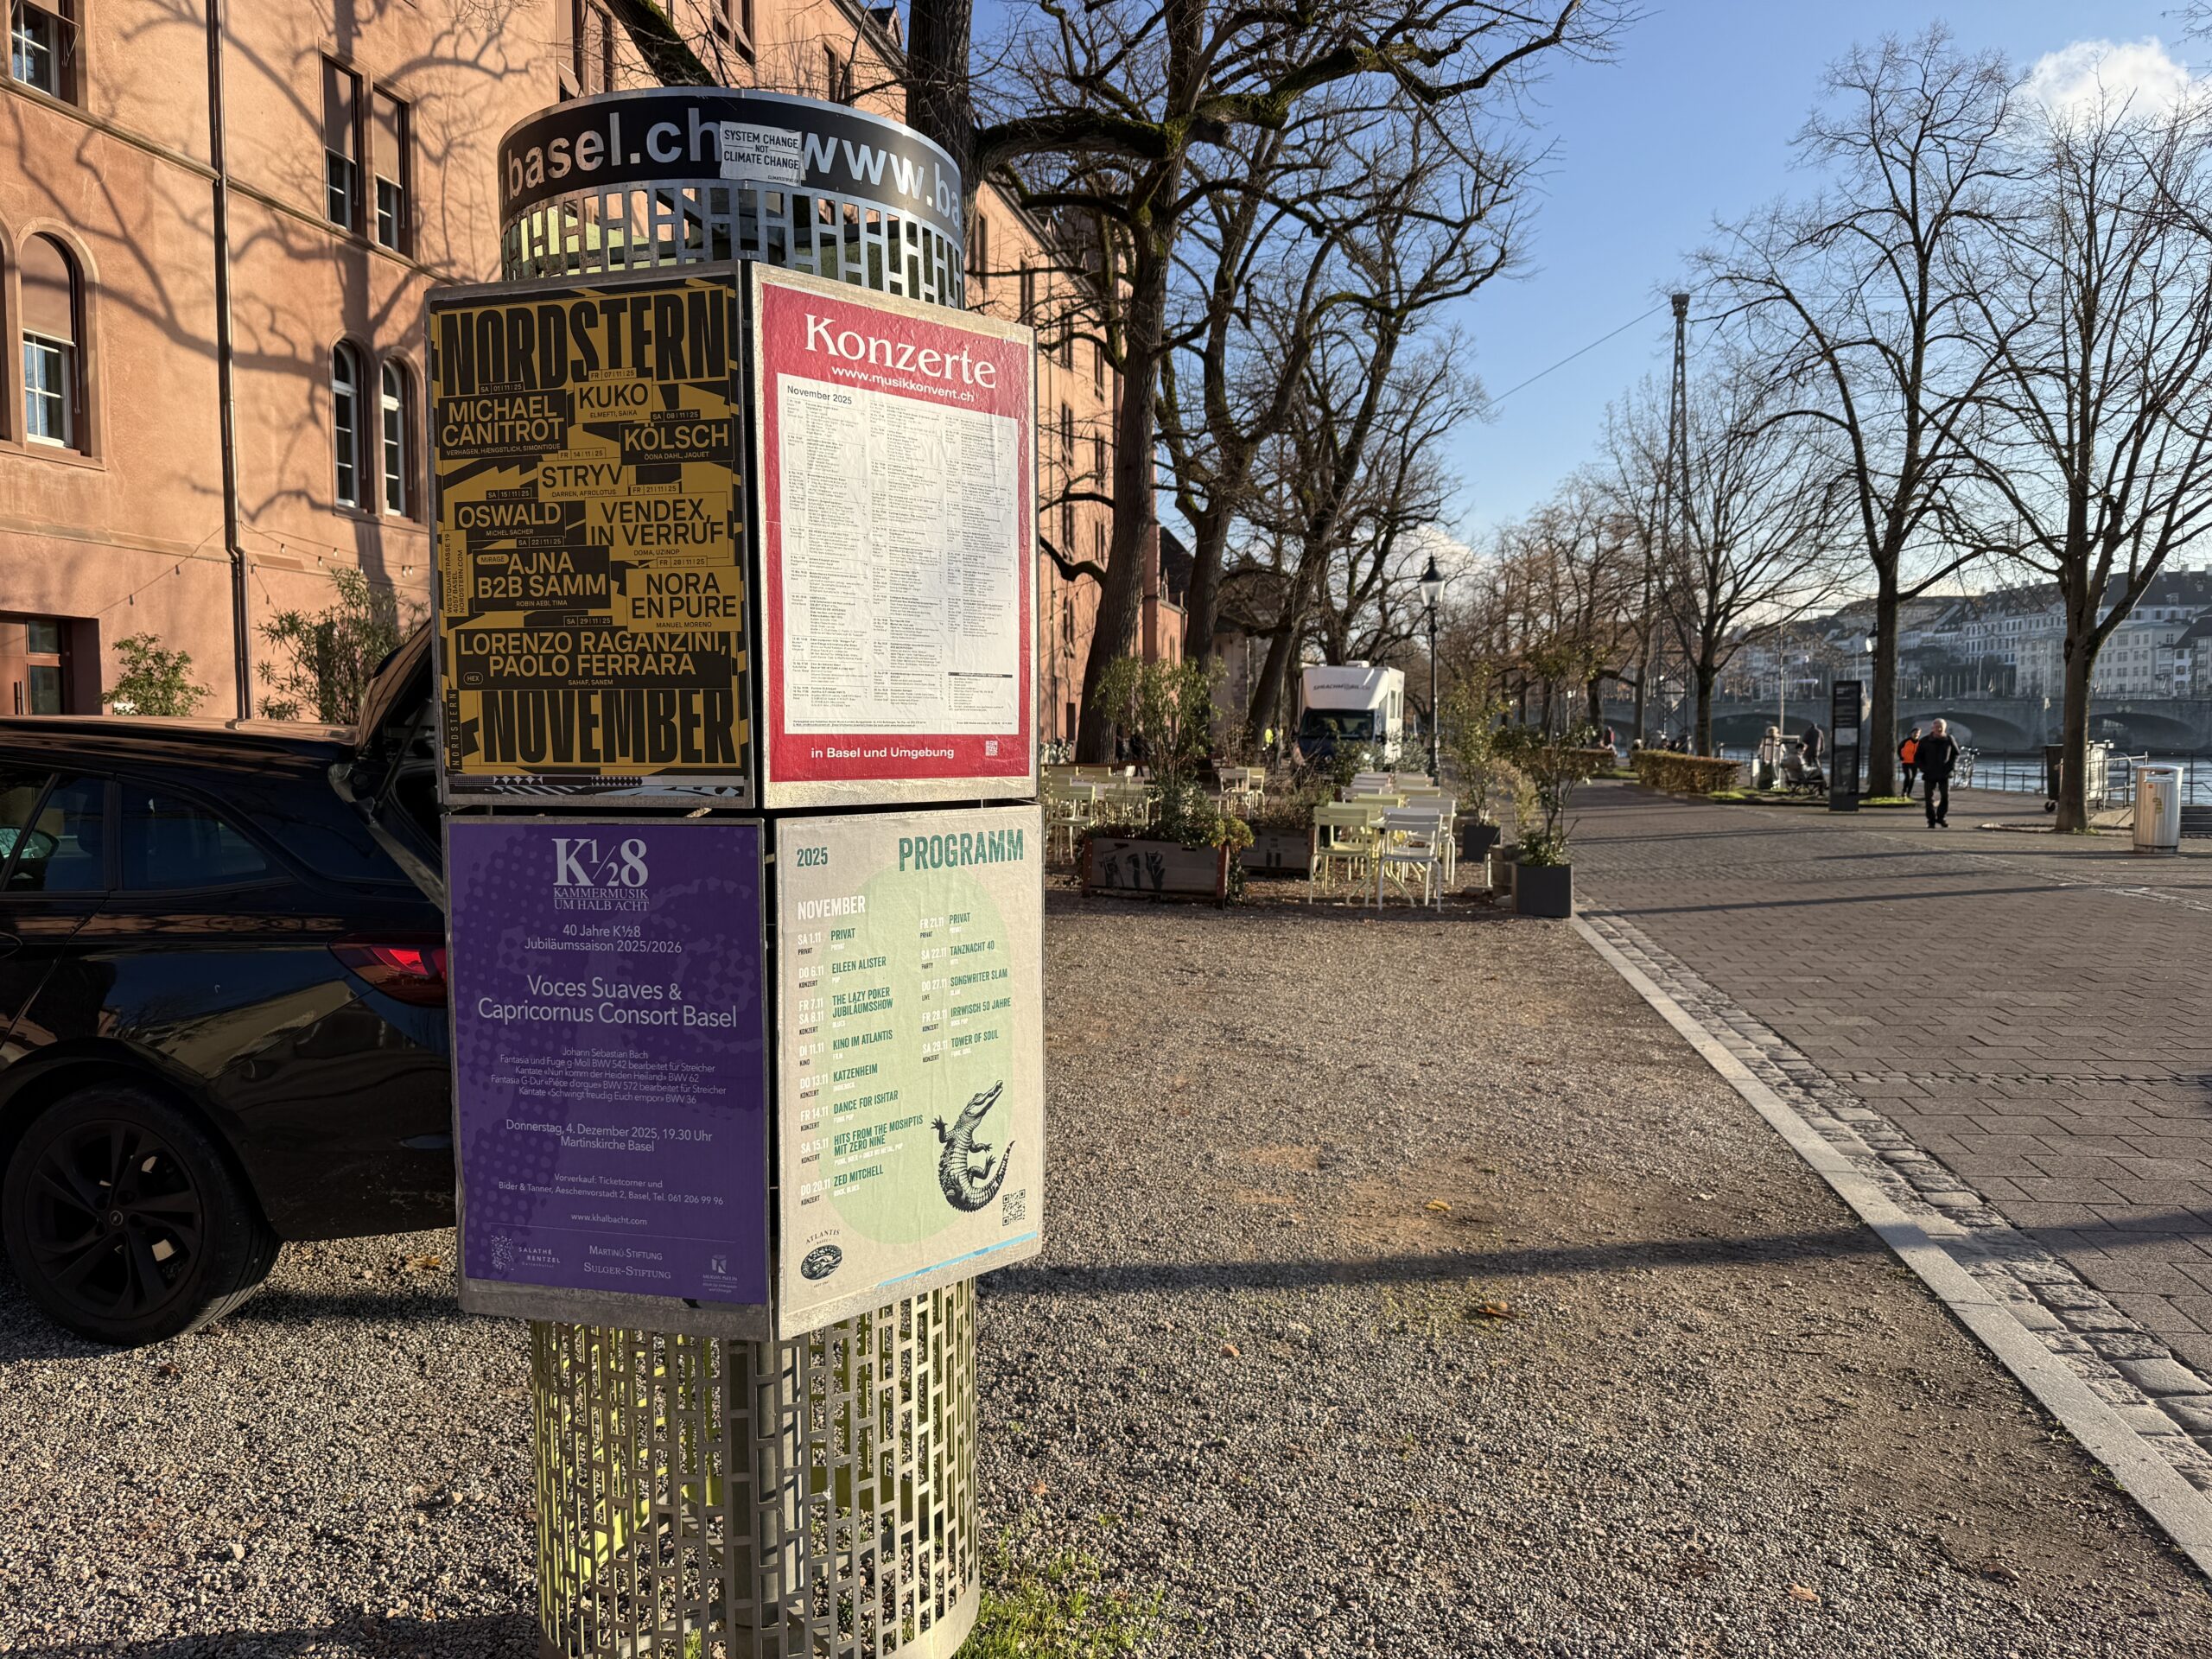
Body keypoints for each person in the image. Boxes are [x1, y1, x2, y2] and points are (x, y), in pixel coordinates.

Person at [1916, 718, 1958, 827]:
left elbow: (1956, 754)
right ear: (1932, 728)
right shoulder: (1925, 741)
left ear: (1944, 728)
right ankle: (1931, 820)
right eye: (1936, 727)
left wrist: (1951, 767)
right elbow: (1918, 757)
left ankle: (1941, 817)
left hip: (1944, 773)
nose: (1939, 729)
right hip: (1929, 773)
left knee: (1945, 797)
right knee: (1929, 798)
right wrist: (1923, 768)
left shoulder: (1949, 739)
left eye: (1941, 727)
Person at [1898, 726, 1923, 799]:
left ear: (1919, 734)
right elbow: (1899, 749)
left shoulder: (1920, 743)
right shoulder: (1906, 741)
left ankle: (1909, 793)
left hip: (1915, 763)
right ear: (1911, 733)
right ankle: (1904, 791)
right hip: (1906, 762)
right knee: (1908, 776)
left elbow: (1922, 752)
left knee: (1913, 778)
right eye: (1915, 733)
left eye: (1918, 733)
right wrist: (1901, 756)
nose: (1916, 734)